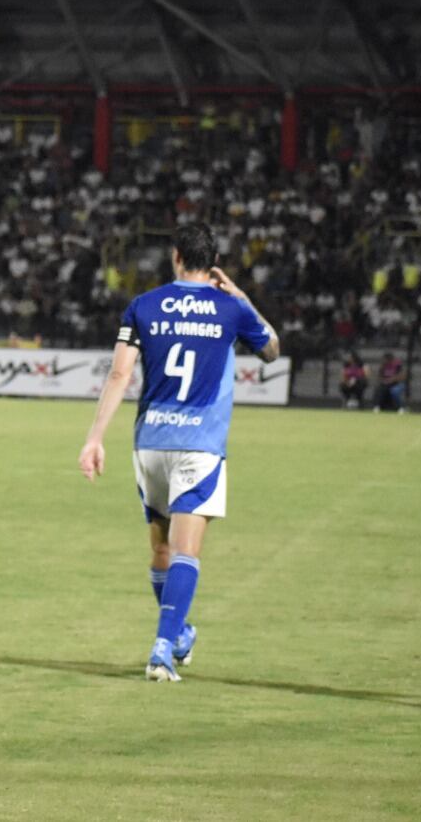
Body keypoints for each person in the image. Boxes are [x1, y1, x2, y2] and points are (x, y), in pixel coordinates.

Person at [77, 222, 279, 682]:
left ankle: (179, 631)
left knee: (160, 549)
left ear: (174, 257)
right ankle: (162, 649)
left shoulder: (143, 306)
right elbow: (271, 348)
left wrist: (94, 439)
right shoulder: (229, 308)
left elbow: (118, 375)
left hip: (150, 443)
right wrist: (242, 296)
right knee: (187, 552)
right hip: (199, 446)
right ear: (213, 265)